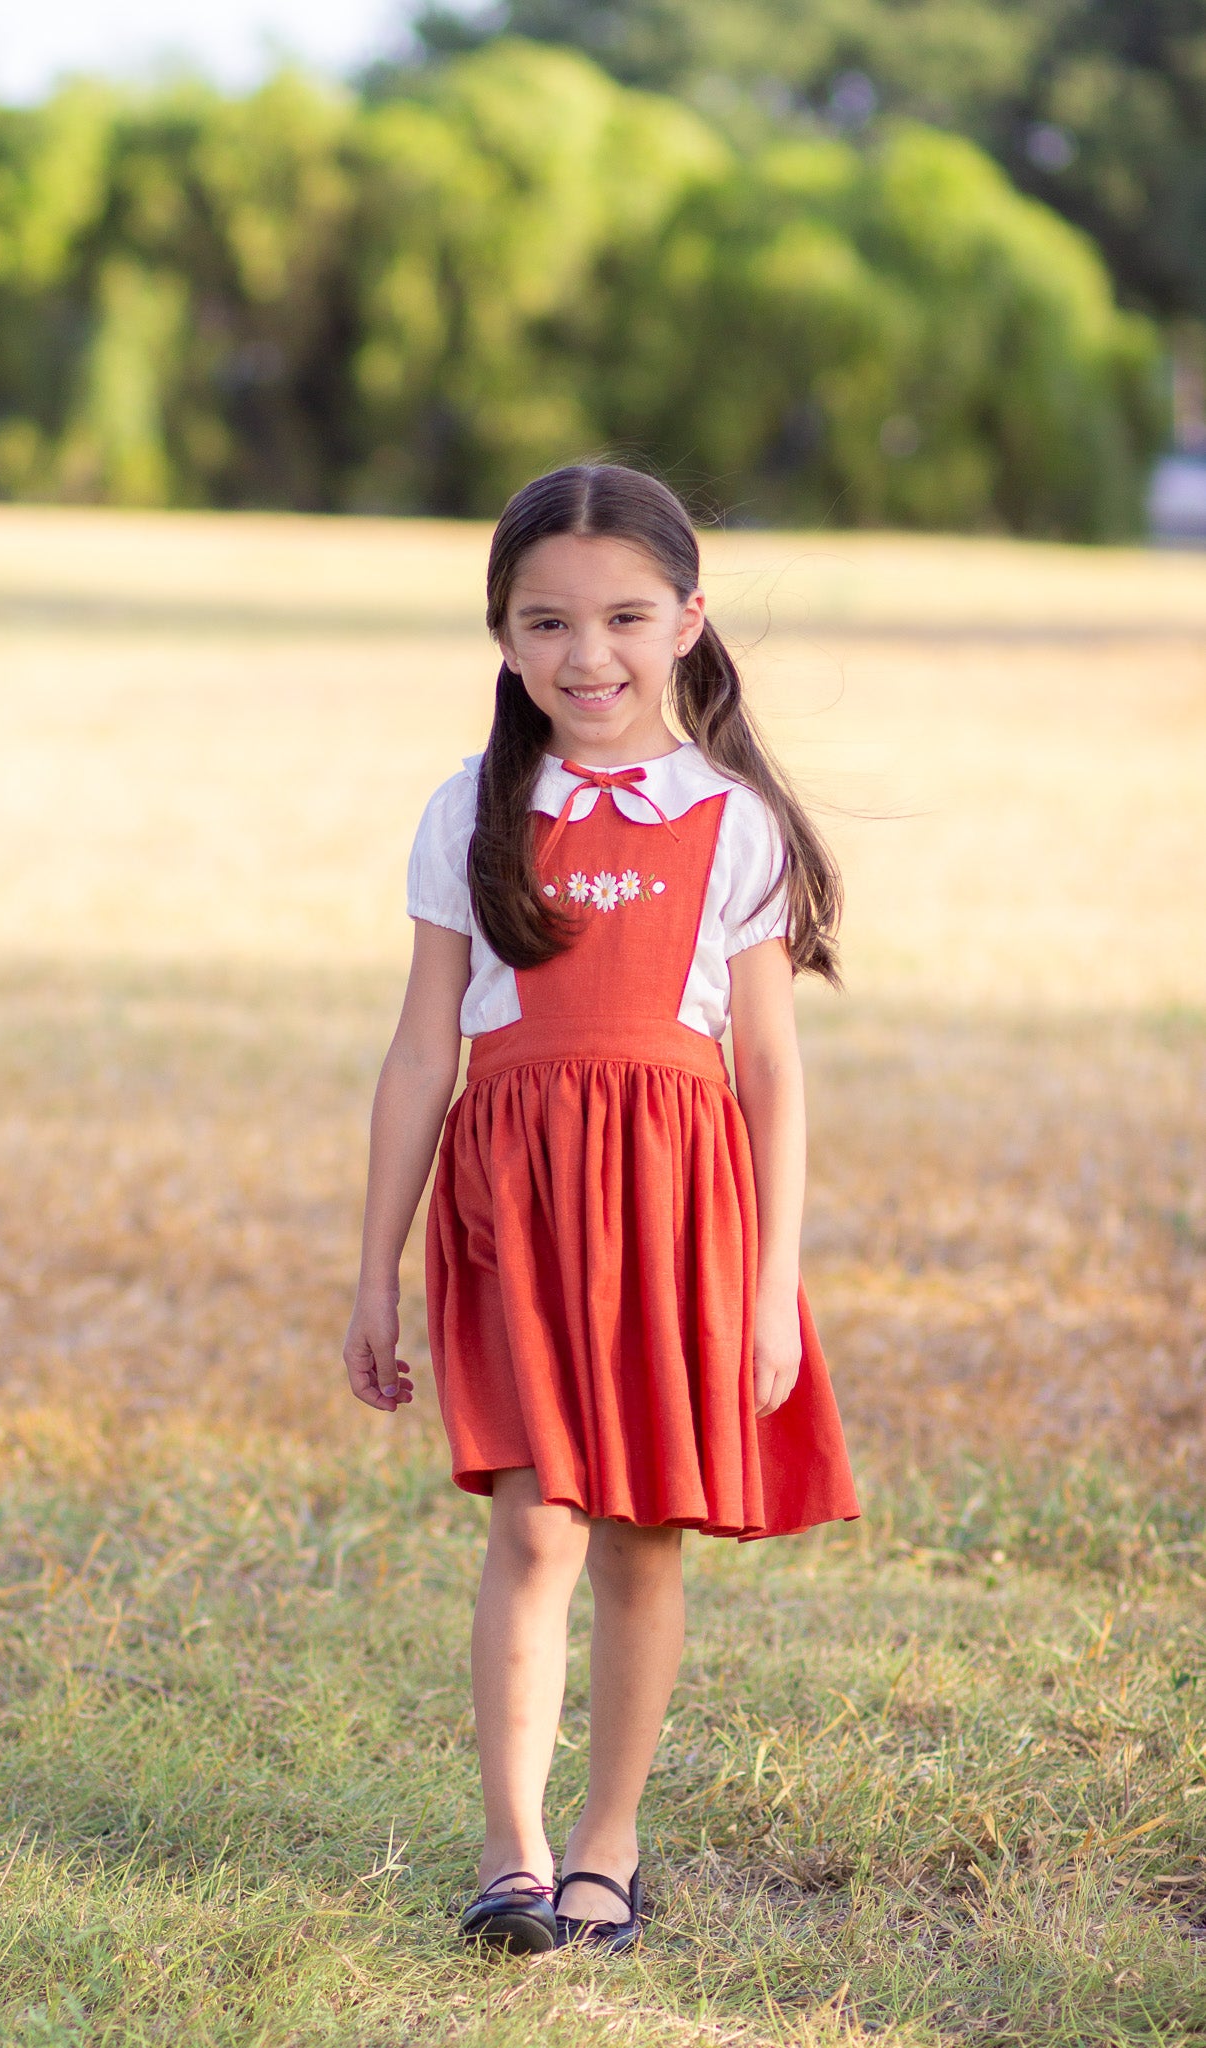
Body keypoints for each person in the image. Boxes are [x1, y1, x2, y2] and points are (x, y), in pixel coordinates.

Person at [343, 463, 859, 1956]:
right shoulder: (473, 807)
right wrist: (372, 1272)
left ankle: (603, 1845)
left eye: (626, 617)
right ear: (501, 637)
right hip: (516, 1205)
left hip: (678, 1213)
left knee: (642, 1537)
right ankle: (508, 1851)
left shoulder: (732, 823)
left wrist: (771, 1285)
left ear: (688, 622)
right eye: (547, 622)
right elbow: (418, 1049)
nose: (590, 656)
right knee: (538, 1521)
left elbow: (767, 1072)